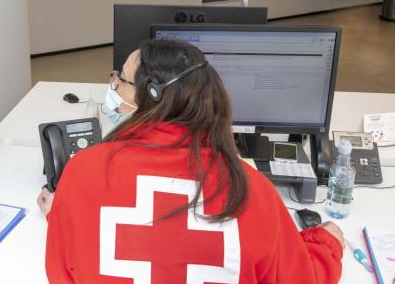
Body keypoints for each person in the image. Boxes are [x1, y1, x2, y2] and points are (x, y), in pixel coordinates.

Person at [38, 39, 344, 283]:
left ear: (149, 97)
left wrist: (64, 213)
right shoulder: (252, 191)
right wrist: (326, 245)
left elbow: (62, 272)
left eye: (122, 80)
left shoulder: (83, 173)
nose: (115, 86)